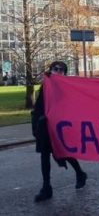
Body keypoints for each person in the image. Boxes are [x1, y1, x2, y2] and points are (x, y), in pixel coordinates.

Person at [32, 61, 87, 202]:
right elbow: (38, 107)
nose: (58, 71)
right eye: (55, 69)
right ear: (51, 70)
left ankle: (80, 173)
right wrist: (36, 126)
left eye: (61, 70)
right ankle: (46, 188)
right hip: (44, 126)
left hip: (59, 126)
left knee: (65, 152)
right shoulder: (46, 85)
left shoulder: (66, 87)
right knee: (44, 156)